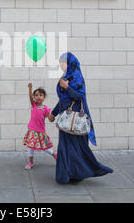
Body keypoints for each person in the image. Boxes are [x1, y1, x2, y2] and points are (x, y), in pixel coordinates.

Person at [49, 52, 113, 183]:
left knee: (74, 147)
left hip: (74, 118)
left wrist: (67, 87)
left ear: (70, 63)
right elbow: (63, 100)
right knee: (64, 147)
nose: (61, 64)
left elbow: (79, 97)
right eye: (60, 62)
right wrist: (53, 113)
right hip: (65, 117)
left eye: (63, 62)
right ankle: (67, 175)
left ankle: (77, 174)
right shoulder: (66, 75)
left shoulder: (76, 76)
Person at [22, 83, 57, 170]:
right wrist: (30, 89)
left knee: (44, 147)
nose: (38, 97)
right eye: (36, 95)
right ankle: (30, 162)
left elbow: (49, 117)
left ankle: (55, 155)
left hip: (40, 131)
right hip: (32, 130)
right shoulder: (34, 105)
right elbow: (30, 97)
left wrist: (52, 118)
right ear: (34, 97)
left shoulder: (46, 108)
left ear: (44, 97)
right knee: (30, 147)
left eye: (40, 95)